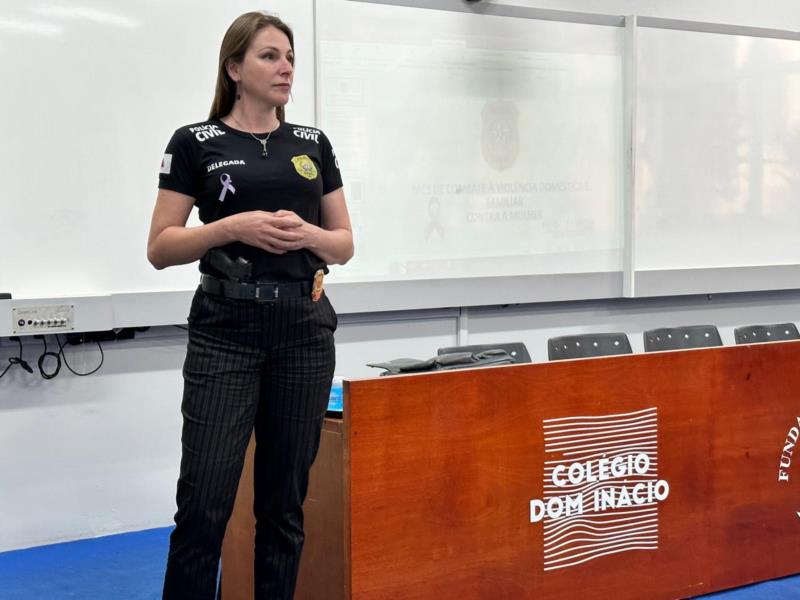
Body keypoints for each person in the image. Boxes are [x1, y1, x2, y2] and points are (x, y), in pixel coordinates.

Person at [147, 11, 353, 600]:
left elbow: (343, 243)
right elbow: (161, 247)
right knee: (204, 509)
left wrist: (306, 236)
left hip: (304, 330)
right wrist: (230, 226)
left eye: (289, 57)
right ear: (235, 68)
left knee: (284, 510)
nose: (285, 67)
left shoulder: (312, 144)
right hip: (226, 331)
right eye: (269, 56)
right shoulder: (194, 142)